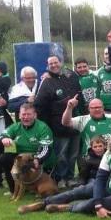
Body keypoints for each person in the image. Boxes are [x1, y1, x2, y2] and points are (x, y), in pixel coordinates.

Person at [19, 125, 111, 217]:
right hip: (110, 186)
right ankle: (43, 203)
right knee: (79, 191)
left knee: (92, 204)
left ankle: (66, 208)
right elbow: (101, 179)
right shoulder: (110, 153)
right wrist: (99, 204)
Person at [34, 55, 81, 189]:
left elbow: (80, 95)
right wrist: (47, 123)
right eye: (51, 63)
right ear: (47, 66)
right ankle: (60, 178)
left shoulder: (71, 77)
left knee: (73, 154)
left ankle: (70, 178)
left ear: (61, 63)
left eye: (56, 62)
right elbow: (39, 105)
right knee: (61, 154)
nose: (54, 65)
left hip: (75, 123)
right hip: (58, 125)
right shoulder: (47, 82)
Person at [0, 103, 56, 193]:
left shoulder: (43, 128)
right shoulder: (15, 127)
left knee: (27, 164)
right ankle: (13, 190)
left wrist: (38, 159)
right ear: (19, 115)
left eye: (29, 114)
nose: (26, 117)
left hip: (38, 159)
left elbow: (46, 149)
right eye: (23, 114)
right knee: (4, 158)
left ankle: (32, 185)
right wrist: (3, 139)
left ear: (35, 115)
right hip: (21, 158)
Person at [61, 97, 111, 182]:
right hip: (91, 162)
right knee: (92, 184)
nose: (97, 109)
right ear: (88, 109)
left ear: (103, 108)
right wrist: (69, 107)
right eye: (93, 108)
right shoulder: (83, 120)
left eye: (99, 107)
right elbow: (65, 122)